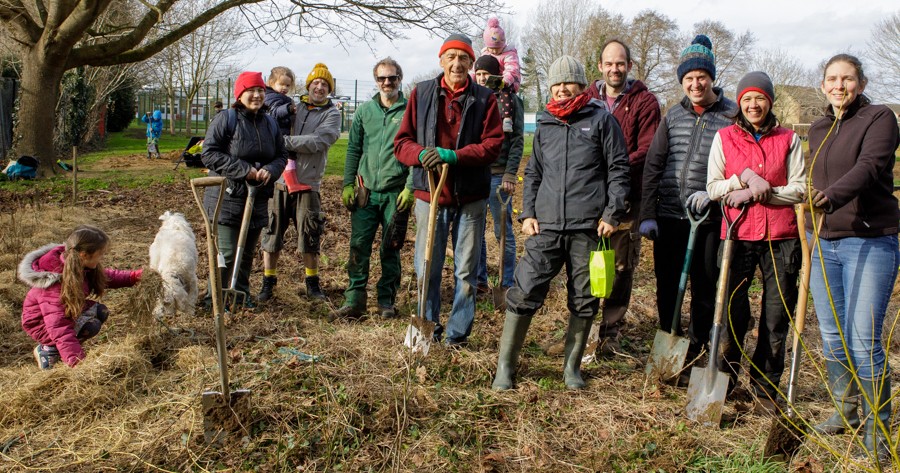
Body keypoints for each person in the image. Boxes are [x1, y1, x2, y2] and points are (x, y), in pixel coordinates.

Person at [492, 55, 630, 391]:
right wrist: (527, 215)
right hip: (547, 226)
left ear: (582, 86)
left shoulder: (601, 121)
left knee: (584, 297)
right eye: (557, 84)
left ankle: (571, 369)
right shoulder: (545, 123)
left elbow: (618, 169)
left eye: (569, 83)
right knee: (524, 289)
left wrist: (612, 214)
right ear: (551, 89)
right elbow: (535, 171)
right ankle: (505, 368)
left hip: (588, 227)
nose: (562, 89)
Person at [806, 54, 899, 464]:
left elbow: (870, 165)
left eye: (847, 78)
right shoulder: (819, 127)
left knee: (863, 340)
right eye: (832, 78)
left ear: (860, 83)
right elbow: (811, 176)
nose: (839, 85)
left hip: (869, 241)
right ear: (823, 85)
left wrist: (832, 196)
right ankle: (845, 411)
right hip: (824, 243)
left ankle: (878, 432)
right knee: (831, 336)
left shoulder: (879, 118)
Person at [394, 34, 504, 347]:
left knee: (466, 272)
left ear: (471, 63)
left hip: (470, 197)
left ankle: (457, 336)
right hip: (430, 197)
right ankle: (426, 329)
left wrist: (454, 156)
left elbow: (493, 145)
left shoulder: (484, 98)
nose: (457, 63)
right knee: (426, 268)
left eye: (463, 58)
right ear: (441, 60)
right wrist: (420, 154)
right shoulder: (422, 93)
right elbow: (402, 142)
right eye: (451, 56)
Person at [706, 71, 806, 414]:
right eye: (747, 98)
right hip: (737, 234)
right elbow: (713, 187)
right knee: (732, 310)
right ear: (739, 103)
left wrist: (767, 192)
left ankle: (765, 387)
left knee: (775, 316)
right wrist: (742, 180)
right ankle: (726, 379)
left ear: (770, 102)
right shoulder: (724, 138)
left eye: (760, 98)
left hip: (782, 237)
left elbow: (800, 188)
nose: (753, 104)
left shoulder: (789, 139)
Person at [639, 35, 737, 377]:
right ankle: (669, 336)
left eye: (701, 77)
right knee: (667, 285)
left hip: (708, 219)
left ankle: (696, 347)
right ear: (682, 81)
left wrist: (716, 195)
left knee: (704, 286)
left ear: (711, 78)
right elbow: (654, 164)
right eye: (688, 78)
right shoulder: (672, 116)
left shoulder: (731, 116)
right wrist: (647, 214)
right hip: (670, 216)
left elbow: (739, 165)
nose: (695, 84)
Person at [582, 39, 661, 357]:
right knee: (587, 260)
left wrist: (613, 164)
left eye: (621, 63)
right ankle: (584, 323)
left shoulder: (645, 101)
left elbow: (648, 147)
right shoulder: (586, 98)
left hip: (628, 196)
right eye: (609, 63)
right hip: (588, 195)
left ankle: (611, 329)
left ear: (629, 66)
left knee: (620, 265)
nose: (615, 69)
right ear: (600, 66)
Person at [333, 58, 413, 320]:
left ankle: (386, 301)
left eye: (392, 77)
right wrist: (347, 184)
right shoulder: (364, 111)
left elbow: (418, 150)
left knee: (391, 248)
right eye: (381, 78)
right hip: (366, 192)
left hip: (395, 193)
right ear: (376, 81)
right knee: (359, 245)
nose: (387, 82)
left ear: (400, 78)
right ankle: (354, 300)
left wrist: (410, 187)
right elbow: (354, 149)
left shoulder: (410, 110)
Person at [201, 71, 287, 309]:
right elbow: (209, 154)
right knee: (227, 254)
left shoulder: (270, 122)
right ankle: (215, 299)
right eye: (251, 91)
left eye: (260, 90)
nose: (257, 95)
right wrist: (244, 170)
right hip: (227, 197)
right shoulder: (226, 119)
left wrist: (271, 169)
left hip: (257, 196)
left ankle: (241, 294)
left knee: (247, 252)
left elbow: (281, 154)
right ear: (240, 94)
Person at [259, 63, 341, 302]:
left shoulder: (332, 113)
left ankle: (312, 283)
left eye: (325, 84)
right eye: (316, 82)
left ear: (329, 89)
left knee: (310, 234)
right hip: (279, 181)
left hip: (309, 183)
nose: (319, 86)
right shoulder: (294, 107)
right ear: (308, 85)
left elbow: (319, 141)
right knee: (272, 231)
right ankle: (268, 281)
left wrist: (283, 142)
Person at [19, 225, 143, 369]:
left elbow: (107, 276)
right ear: (84, 255)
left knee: (100, 311)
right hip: (42, 324)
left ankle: (63, 349)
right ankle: (48, 350)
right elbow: (59, 326)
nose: (102, 258)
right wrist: (78, 363)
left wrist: (133, 277)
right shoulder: (55, 286)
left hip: (60, 316)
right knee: (90, 325)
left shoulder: (78, 263)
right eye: (100, 254)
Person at [473, 54, 523, 297]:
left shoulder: (511, 101)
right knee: (476, 229)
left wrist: (511, 173)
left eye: (487, 74)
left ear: (497, 75)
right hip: (475, 174)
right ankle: (480, 281)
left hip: (499, 175)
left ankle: (506, 282)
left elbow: (517, 141)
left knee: (502, 231)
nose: (482, 78)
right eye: (479, 73)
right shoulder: (472, 99)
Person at [481, 17, 521, 133]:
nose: (494, 52)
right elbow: (479, 67)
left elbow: (512, 69)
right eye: (491, 48)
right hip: (493, 81)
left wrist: (506, 80)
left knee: (504, 91)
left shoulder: (509, 54)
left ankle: (507, 118)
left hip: (510, 81)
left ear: (503, 44)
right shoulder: (486, 53)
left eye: (497, 48)